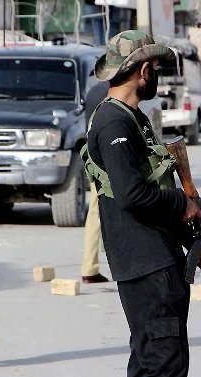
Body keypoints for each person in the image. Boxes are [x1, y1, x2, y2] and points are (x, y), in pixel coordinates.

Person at [84, 30, 201, 377]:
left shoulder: (133, 118)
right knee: (164, 366)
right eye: (155, 67)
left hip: (156, 259)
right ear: (143, 71)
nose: (156, 73)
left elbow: (158, 187)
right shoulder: (114, 122)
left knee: (149, 364)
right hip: (146, 264)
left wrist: (194, 243)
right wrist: (182, 205)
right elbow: (132, 195)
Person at [81, 81, 110, 284]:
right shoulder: (115, 92)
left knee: (95, 212)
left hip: (93, 157)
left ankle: (89, 267)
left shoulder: (93, 92)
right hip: (108, 158)